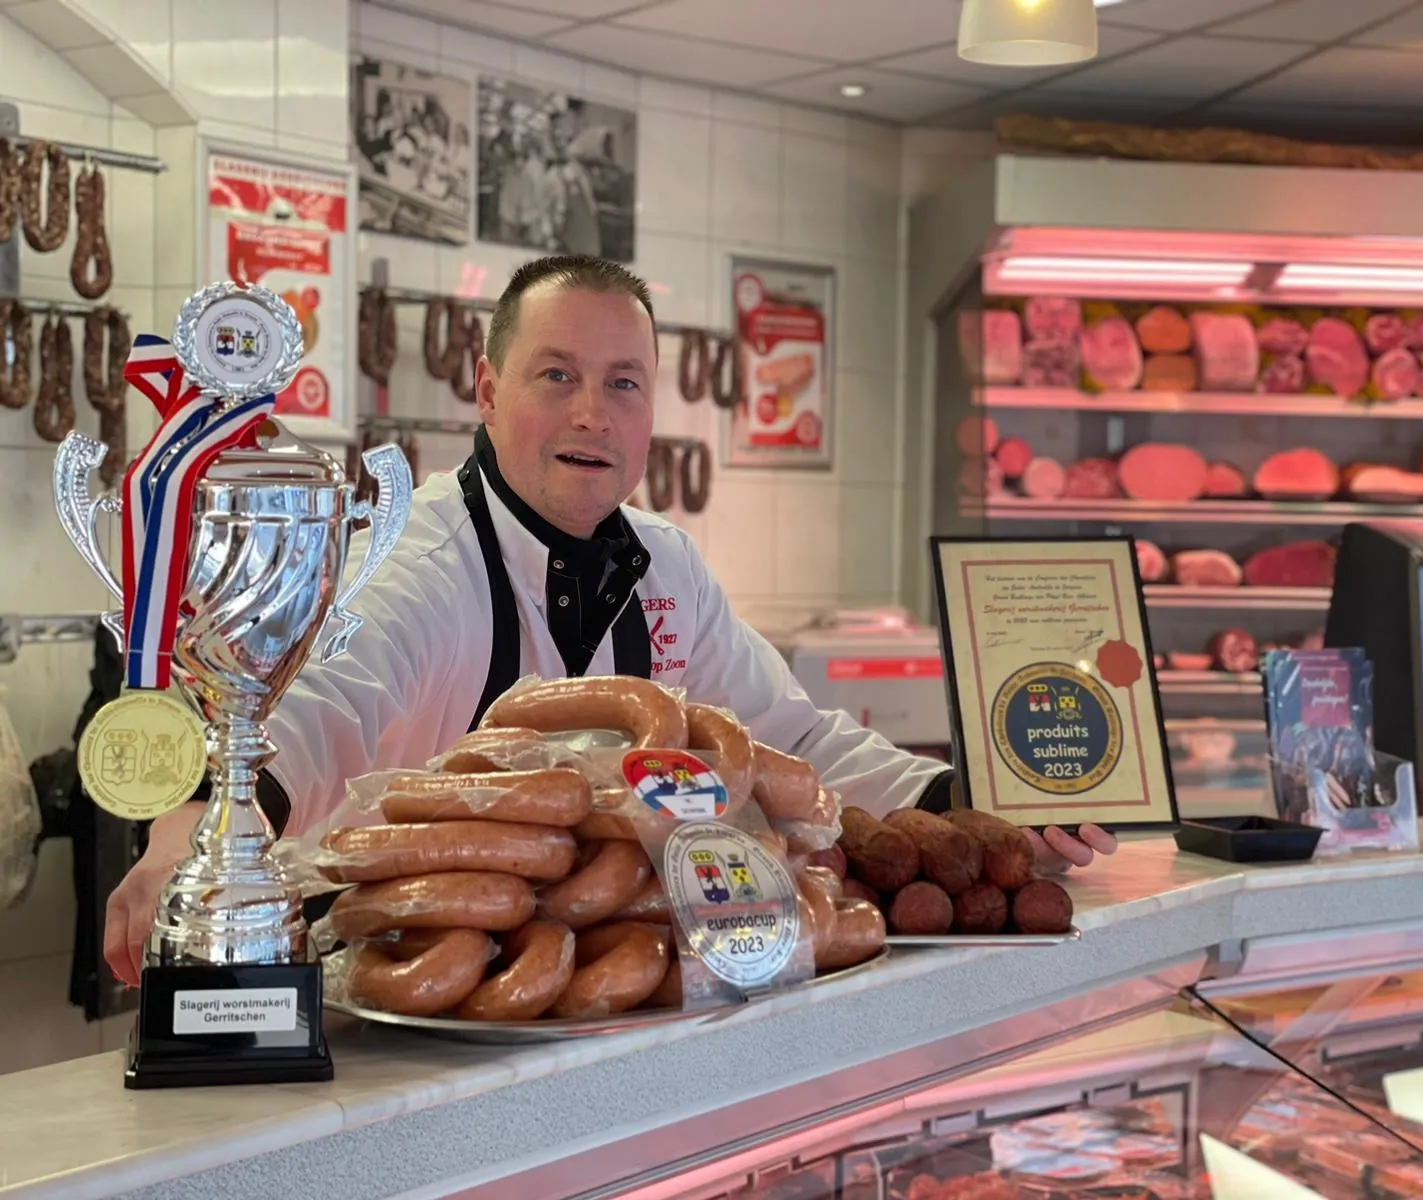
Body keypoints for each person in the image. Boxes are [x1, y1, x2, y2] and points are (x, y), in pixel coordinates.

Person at [102, 256, 1117, 984]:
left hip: (611, 970)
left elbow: (791, 736)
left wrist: (966, 797)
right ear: (489, 393)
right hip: (405, 982)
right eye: (558, 376)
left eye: (622, 384)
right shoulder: (422, 557)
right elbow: (316, 714)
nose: (593, 411)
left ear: (648, 416)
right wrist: (181, 848)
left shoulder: (662, 560)